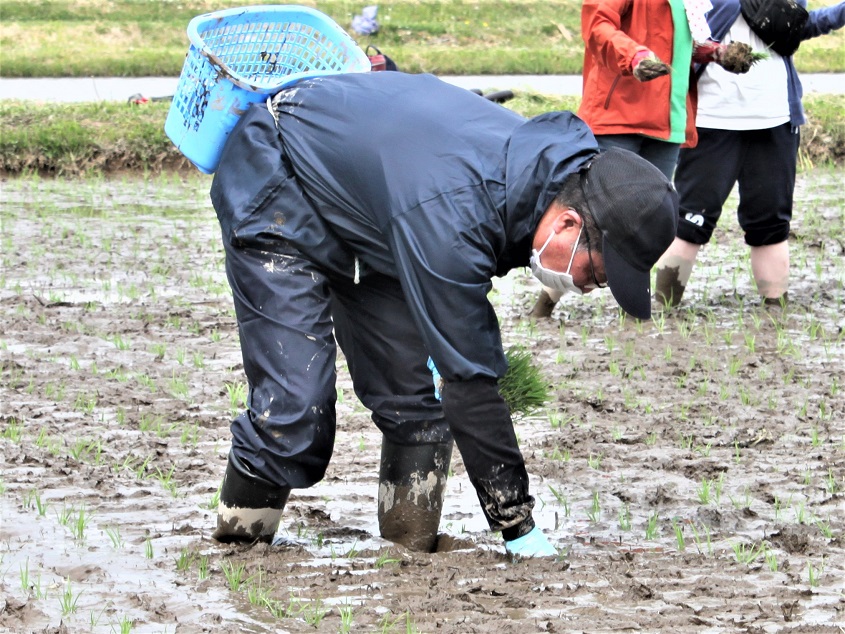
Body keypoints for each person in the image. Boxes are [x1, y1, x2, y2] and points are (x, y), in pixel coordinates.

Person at [208, 71, 678, 558]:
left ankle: (407, 555)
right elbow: (470, 381)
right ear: (568, 224)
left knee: (417, 402)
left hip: (380, 216)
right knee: (294, 409)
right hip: (279, 179)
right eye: (596, 273)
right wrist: (517, 525)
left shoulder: (548, 176)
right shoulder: (456, 214)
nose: (586, 288)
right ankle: (238, 553)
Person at [530, 0, 754, 319]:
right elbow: (597, 23)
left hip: (668, 122)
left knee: (646, 223)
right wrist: (634, 55)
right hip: (620, 115)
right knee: (593, 217)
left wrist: (716, 54)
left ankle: (634, 310)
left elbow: (678, 46)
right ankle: (546, 303)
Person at [654, 0, 845, 308]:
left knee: (771, 226)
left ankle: (774, 313)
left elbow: (799, 27)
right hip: (711, 121)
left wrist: (840, 13)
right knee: (689, 222)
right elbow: (676, 38)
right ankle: (662, 308)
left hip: (775, 119)